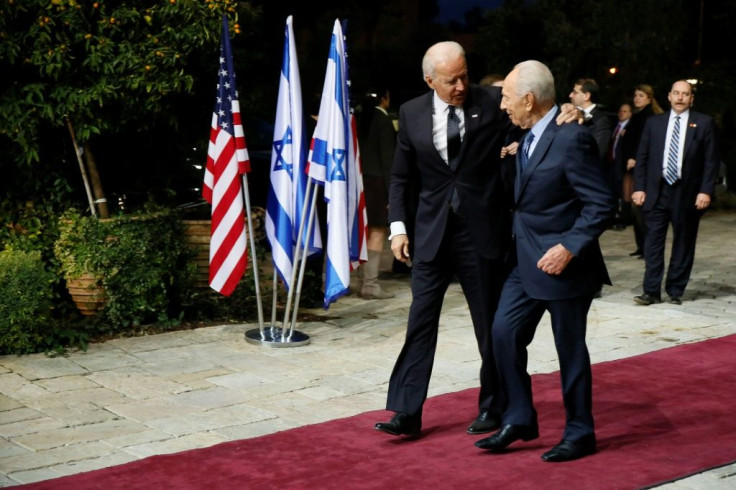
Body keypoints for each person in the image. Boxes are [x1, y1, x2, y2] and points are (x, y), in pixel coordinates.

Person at [374, 42, 579, 439]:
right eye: (451, 80)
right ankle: (406, 411)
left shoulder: (489, 101)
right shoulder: (411, 113)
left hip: (480, 234)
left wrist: (564, 116)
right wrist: (398, 227)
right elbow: (401, 177)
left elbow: (532, 118)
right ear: (429, 80)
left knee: (489, 325)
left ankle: (494, 405)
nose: (461, 85)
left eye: (465, 74)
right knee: (420, 322)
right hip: (429, 236)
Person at [475, 60, 615, 462]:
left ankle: (580, 432)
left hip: (564, 264)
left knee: (568, 349)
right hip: (524, 260)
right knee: (502, 334)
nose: (503, 105)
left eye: (507, 98)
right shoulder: (525, 133)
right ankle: (519, 417)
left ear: (529, 99)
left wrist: (570, 246)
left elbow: (601, 203)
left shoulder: (572, 139)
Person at [632, 80, 719, 306]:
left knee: (684, 242)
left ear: (692, 99)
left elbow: (711, 161)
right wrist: (638, 187)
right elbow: (642, 158)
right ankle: (651, 291)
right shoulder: (653, 123)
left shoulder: (703, 123)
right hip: (657, 191)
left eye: (685, 94)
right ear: (669, 96)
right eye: (676, 93)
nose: (680, 98)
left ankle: (675, 290)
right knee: (652, 243)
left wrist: (705, 191)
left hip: (687, 192)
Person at [357, 88, 396, 299]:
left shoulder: (357, 118)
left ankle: (362, 280)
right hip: (377, 181)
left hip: (358, 179)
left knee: (362, 230)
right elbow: (388, 159)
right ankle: (370, 284)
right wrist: (392, 193)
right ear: (384, 98)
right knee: (377, 230)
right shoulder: (383, 121)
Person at [620, 84, 664, 256]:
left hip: (642, 168)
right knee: (634, 207)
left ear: (649, 98)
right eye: (635, 95)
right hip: (633, 168)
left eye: (640, 95)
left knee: (641, 208)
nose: (636, 98)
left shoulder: (649, 117)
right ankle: (641, 246)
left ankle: (647, 247)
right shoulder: (637, 117)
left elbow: (648, 144)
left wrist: (636, 160)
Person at [569, 78, 612, 163]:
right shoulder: (572, 114)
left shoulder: (601, 121)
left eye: (575, 92)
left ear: (586, 96)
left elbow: (597, 153)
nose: (570, 95)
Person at [607, 102, 633, 230]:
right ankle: (612, 219)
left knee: (624, 194)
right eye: (620, 111)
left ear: (630, 114)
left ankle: (623, 220)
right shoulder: (614, 127)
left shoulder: (629, 128)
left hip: (622, 165)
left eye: (625, 111)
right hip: (611, 163)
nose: (621, 113)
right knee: (612, 192)